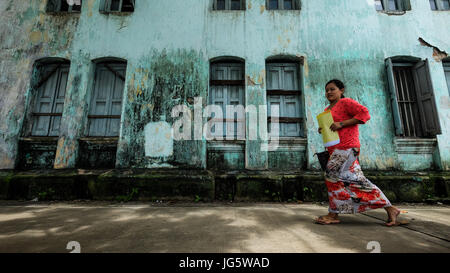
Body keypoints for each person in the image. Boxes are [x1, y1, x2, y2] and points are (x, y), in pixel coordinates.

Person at [316, 79, 404, 226]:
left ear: (341, 90)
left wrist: (341, 123)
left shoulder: (346, 102)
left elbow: (364, 114)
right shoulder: (327, 110)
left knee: (332, 177)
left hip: (347, 146)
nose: (329, 92)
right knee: (353, 180)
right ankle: (390, 208)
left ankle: (333, 214)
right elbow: (333, 127)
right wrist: (323, 129)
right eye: (327, 90)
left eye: (332, 89)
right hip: (335, 149)